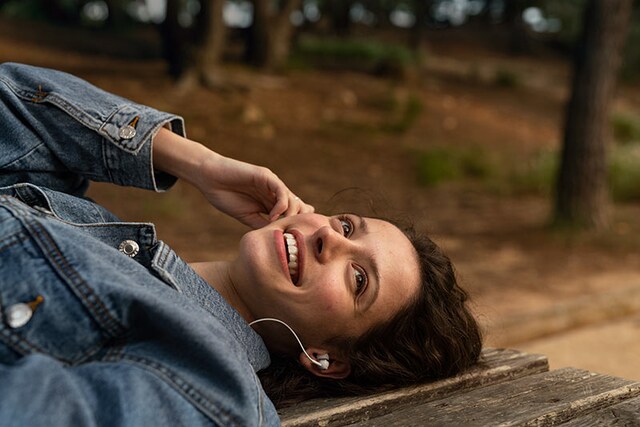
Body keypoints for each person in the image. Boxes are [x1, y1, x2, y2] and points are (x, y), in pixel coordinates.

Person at [0, 63, 482, 426]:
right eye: (347, 226)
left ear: (325, 358)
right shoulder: (98, 230)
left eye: (359, 279)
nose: (329, 239)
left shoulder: (215, 389)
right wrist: (195, 162)